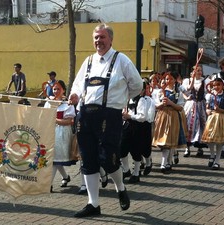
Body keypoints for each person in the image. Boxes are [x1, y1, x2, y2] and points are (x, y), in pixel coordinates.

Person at [69, 23, 143, 218]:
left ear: (110, 39)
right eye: (95, 38)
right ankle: (93, 204)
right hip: (85, 115)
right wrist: (75, 96)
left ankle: (120, 187)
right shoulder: (88, 61)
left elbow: (137, 85)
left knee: (108, 159)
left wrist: (120, 101)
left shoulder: (122, 60)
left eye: (102, 37)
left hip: (109, 116)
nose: (98, 41)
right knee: (88, 159)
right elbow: (77, 85)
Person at [44, 80, 76, 192]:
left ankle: (49, 184)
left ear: (63, 90)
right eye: (54, 89)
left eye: (58, 89)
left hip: (62, 132)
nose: (56, 91)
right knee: (54, 158)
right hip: (50, 131)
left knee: (56, 158)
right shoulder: (48, 102)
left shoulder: (67, 103)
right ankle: (66, 177)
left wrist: (55, 119)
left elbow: (70, 121)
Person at [152, 71, 187, 174]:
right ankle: (164, 162)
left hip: (174, 117)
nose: (168, 81)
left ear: (175, 80)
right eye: (167, 79)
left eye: (171, 79)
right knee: (165, 140)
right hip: (163, 116)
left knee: (171, 140)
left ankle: (168, 162)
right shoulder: (160, 92)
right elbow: (155, 106)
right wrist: (161, 104)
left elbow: (180, 108)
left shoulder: (178, 93)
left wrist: (171, 103)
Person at [121, 79, 155, 183]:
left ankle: (136, 172)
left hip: (139, 127)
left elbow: (143, 117)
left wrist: (129, 116)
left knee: (138, 150)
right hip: (127, 126)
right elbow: (124, 112)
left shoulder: (143, 100)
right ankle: (126, 170)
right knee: (121, 148)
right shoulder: (127, 100)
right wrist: (124, 116)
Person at [201, 78, 224, 169]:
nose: (216, 87)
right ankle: (212, 155)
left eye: (218, 85)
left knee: (219, 141)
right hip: (212, 118)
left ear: (223, 86)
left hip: (221, 119)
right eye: (214, 85)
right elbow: (207, 107)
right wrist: (208, 110)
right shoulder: (210, 96)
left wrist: (220, 110)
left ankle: (217, 161)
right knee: (210, 139)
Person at [183, 65, 208, 157]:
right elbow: (185, 91)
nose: (199, 72)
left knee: (201, 125)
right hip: (191, 105)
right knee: (189, 124)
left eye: (200, 70)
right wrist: (187, 97)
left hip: (201, 104)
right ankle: (187, 148)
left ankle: (200, 148)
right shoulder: (187, 80)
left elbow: (207, 92)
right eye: (197, 70)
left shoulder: (205, 81)